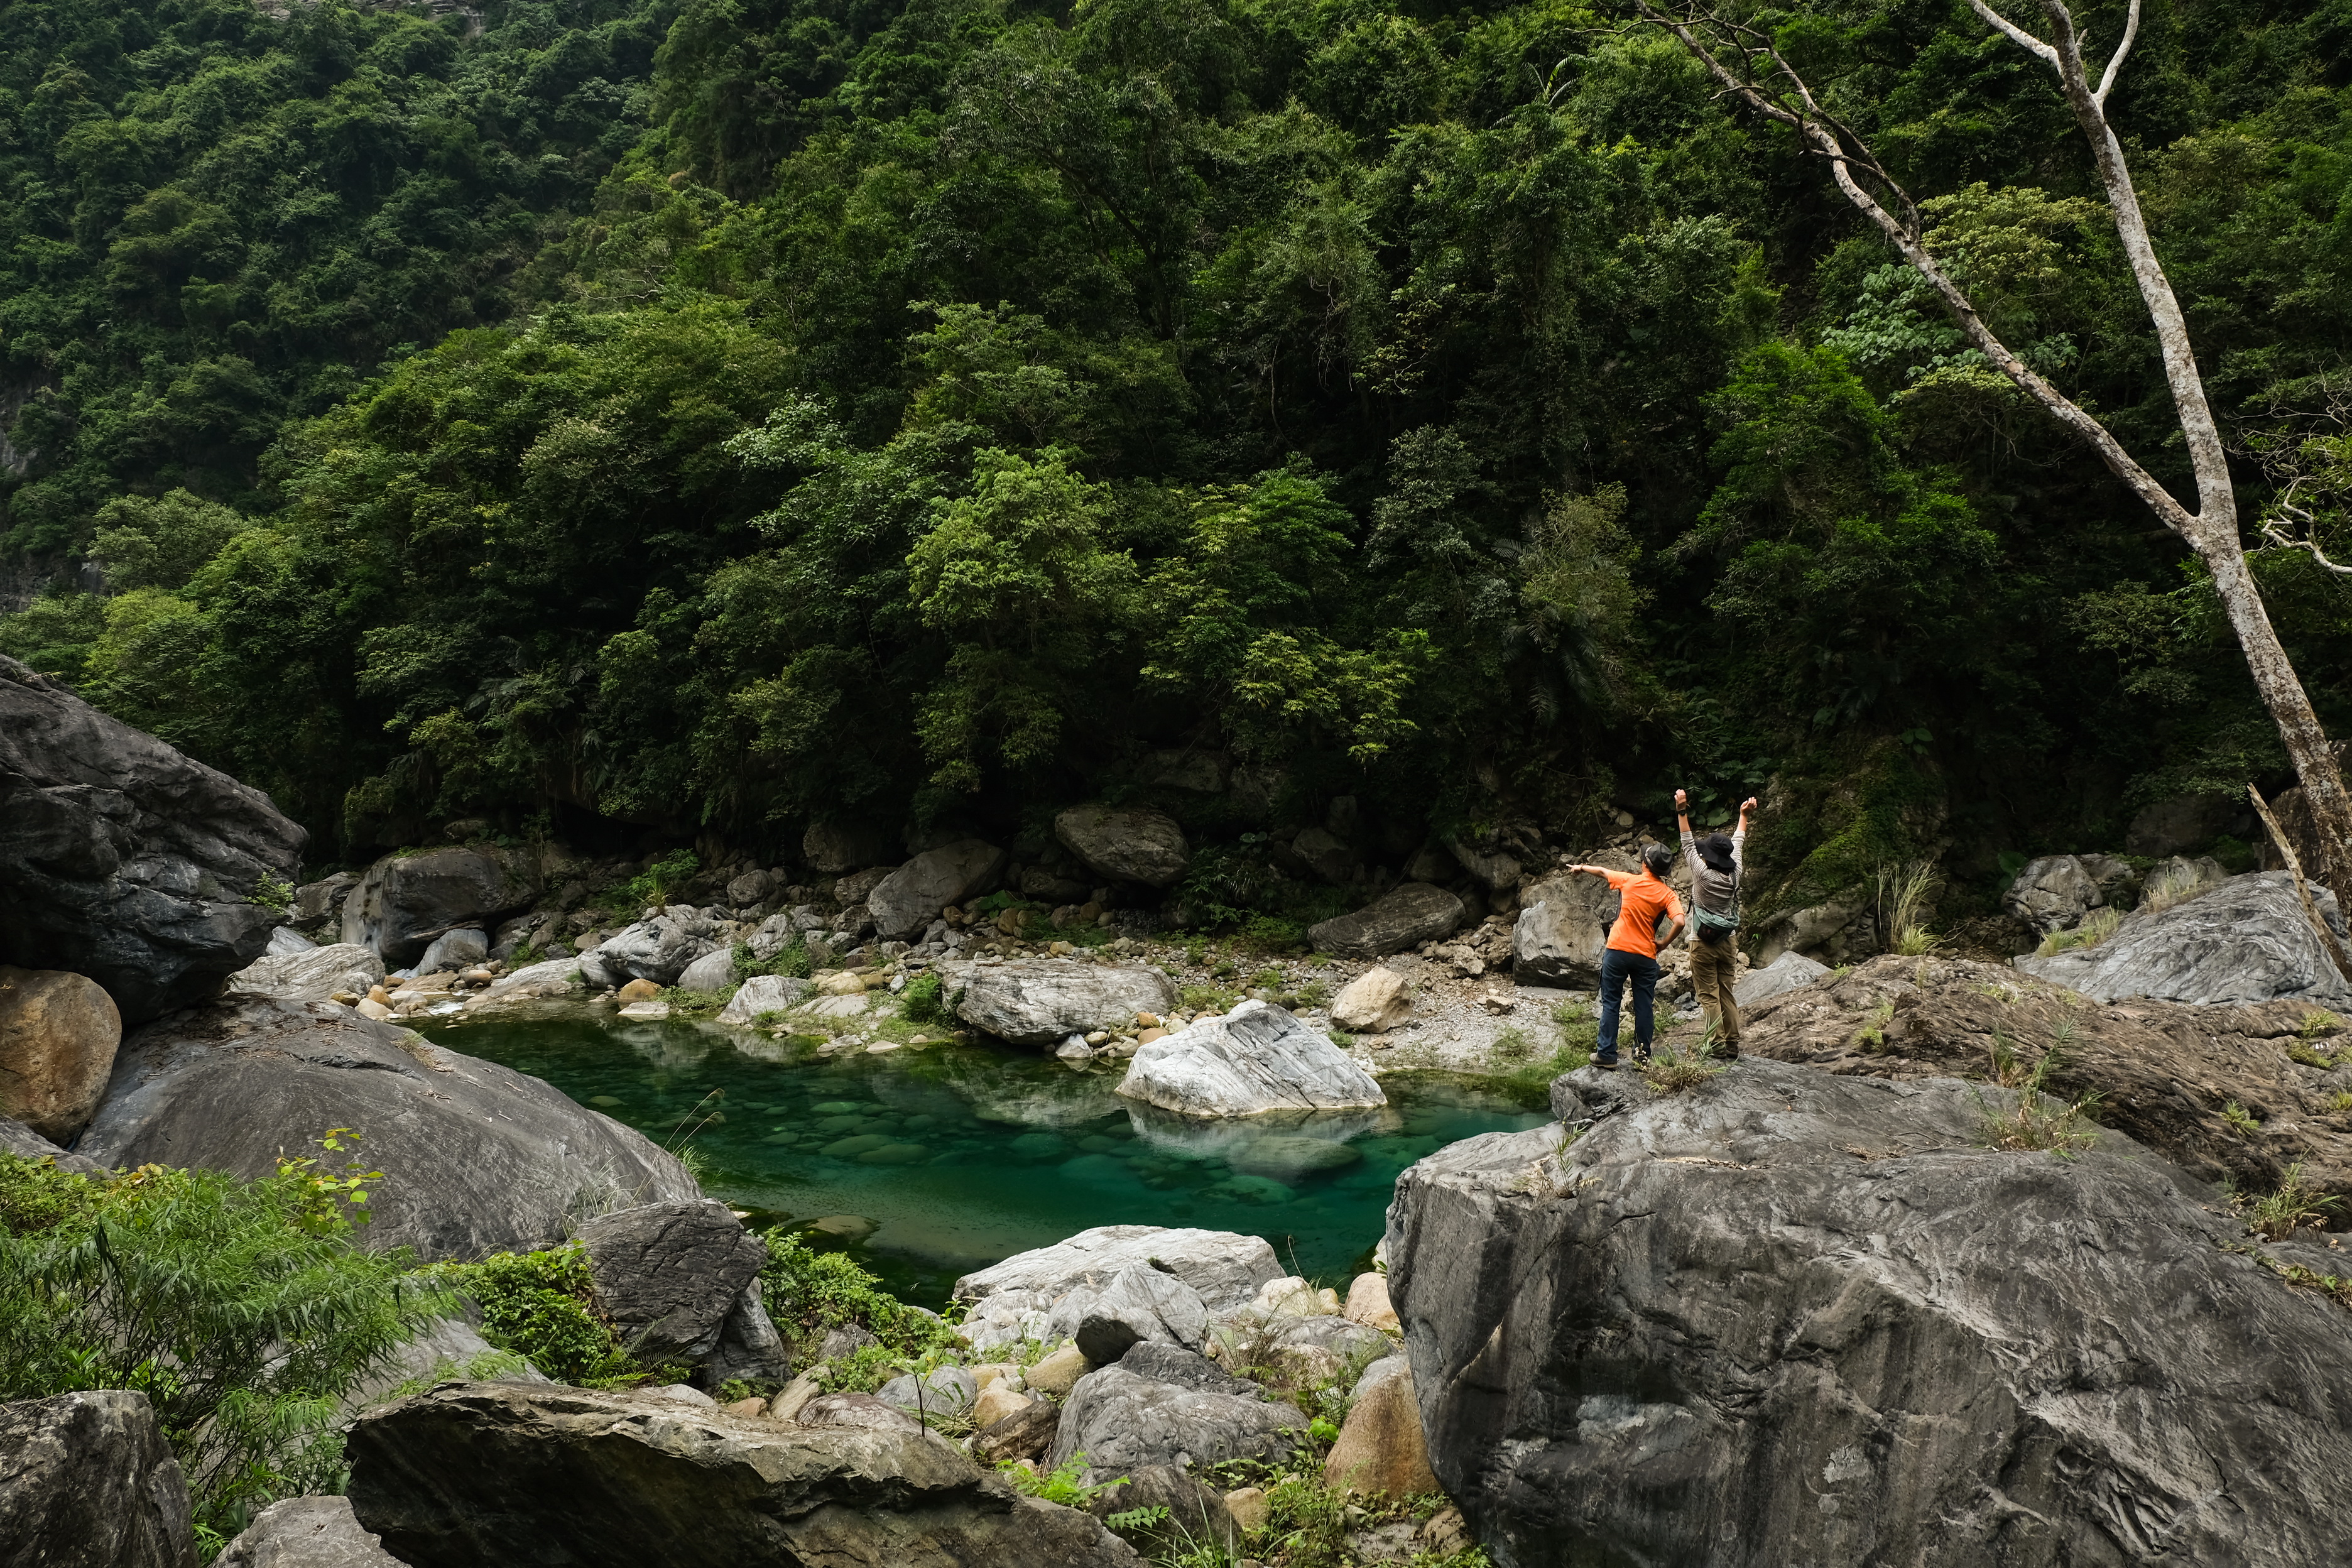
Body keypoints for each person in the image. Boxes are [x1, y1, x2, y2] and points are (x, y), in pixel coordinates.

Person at [1561, 842, 1684, 1069]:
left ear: (1644, 864)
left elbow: (1602, 872)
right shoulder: (1668, 894)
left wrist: (1581, 867)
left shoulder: (1629, 880)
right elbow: (1680, 921)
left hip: (1617, 950)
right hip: (1646, 955)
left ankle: (1607, 1055)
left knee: (1611, 1002)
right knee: (1644, 1006)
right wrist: (1664, 944)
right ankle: (1642, 1055)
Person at [1677, 788, 1758, 1059]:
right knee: (1727, 992)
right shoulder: (1736, 872)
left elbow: (1687, 842)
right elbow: (1740, 840)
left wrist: (1681, 808)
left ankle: (1715, 1043)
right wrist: (1743, 816)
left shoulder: (1703, 875)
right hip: (1728, 940)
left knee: (1709, 995)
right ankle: (1733, 1043)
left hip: (1702, 941)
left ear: (1709, 857)